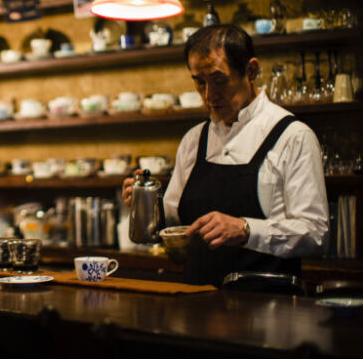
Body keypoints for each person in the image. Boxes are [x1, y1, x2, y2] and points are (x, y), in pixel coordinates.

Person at [122, 24, 329, 286]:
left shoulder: (293, 137)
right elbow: (173, 220)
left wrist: (246, 229)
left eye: (219, 80)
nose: (209, 95)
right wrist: (145, 204)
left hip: (266, 310)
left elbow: (315, 234)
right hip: (196, 302)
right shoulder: (193, 140)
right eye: (199, 82)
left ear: (251, 71)